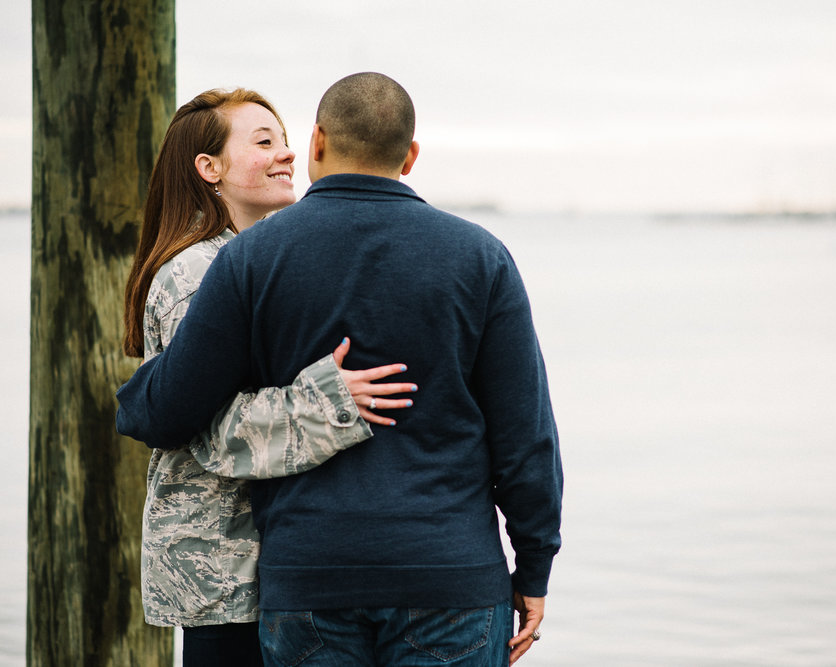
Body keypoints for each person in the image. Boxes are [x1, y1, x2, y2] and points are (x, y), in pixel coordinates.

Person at [117, 72, 562, 666]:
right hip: (450, 574)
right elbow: (526, 437)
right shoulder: (480, 256)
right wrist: (533, 566)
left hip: (309, 575)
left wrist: (134, 394)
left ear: (319, 141)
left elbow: (169, 408)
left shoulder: (251, 260)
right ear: (410, 156)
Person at [121, 88, 416, 666]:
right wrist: (334, 401)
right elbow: (204, 426)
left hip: (276, 567)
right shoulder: (195, 270)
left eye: (285, 140)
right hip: (222, 570)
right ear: (209, 168)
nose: (286, 154)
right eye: (263, 142)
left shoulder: (261, 258)